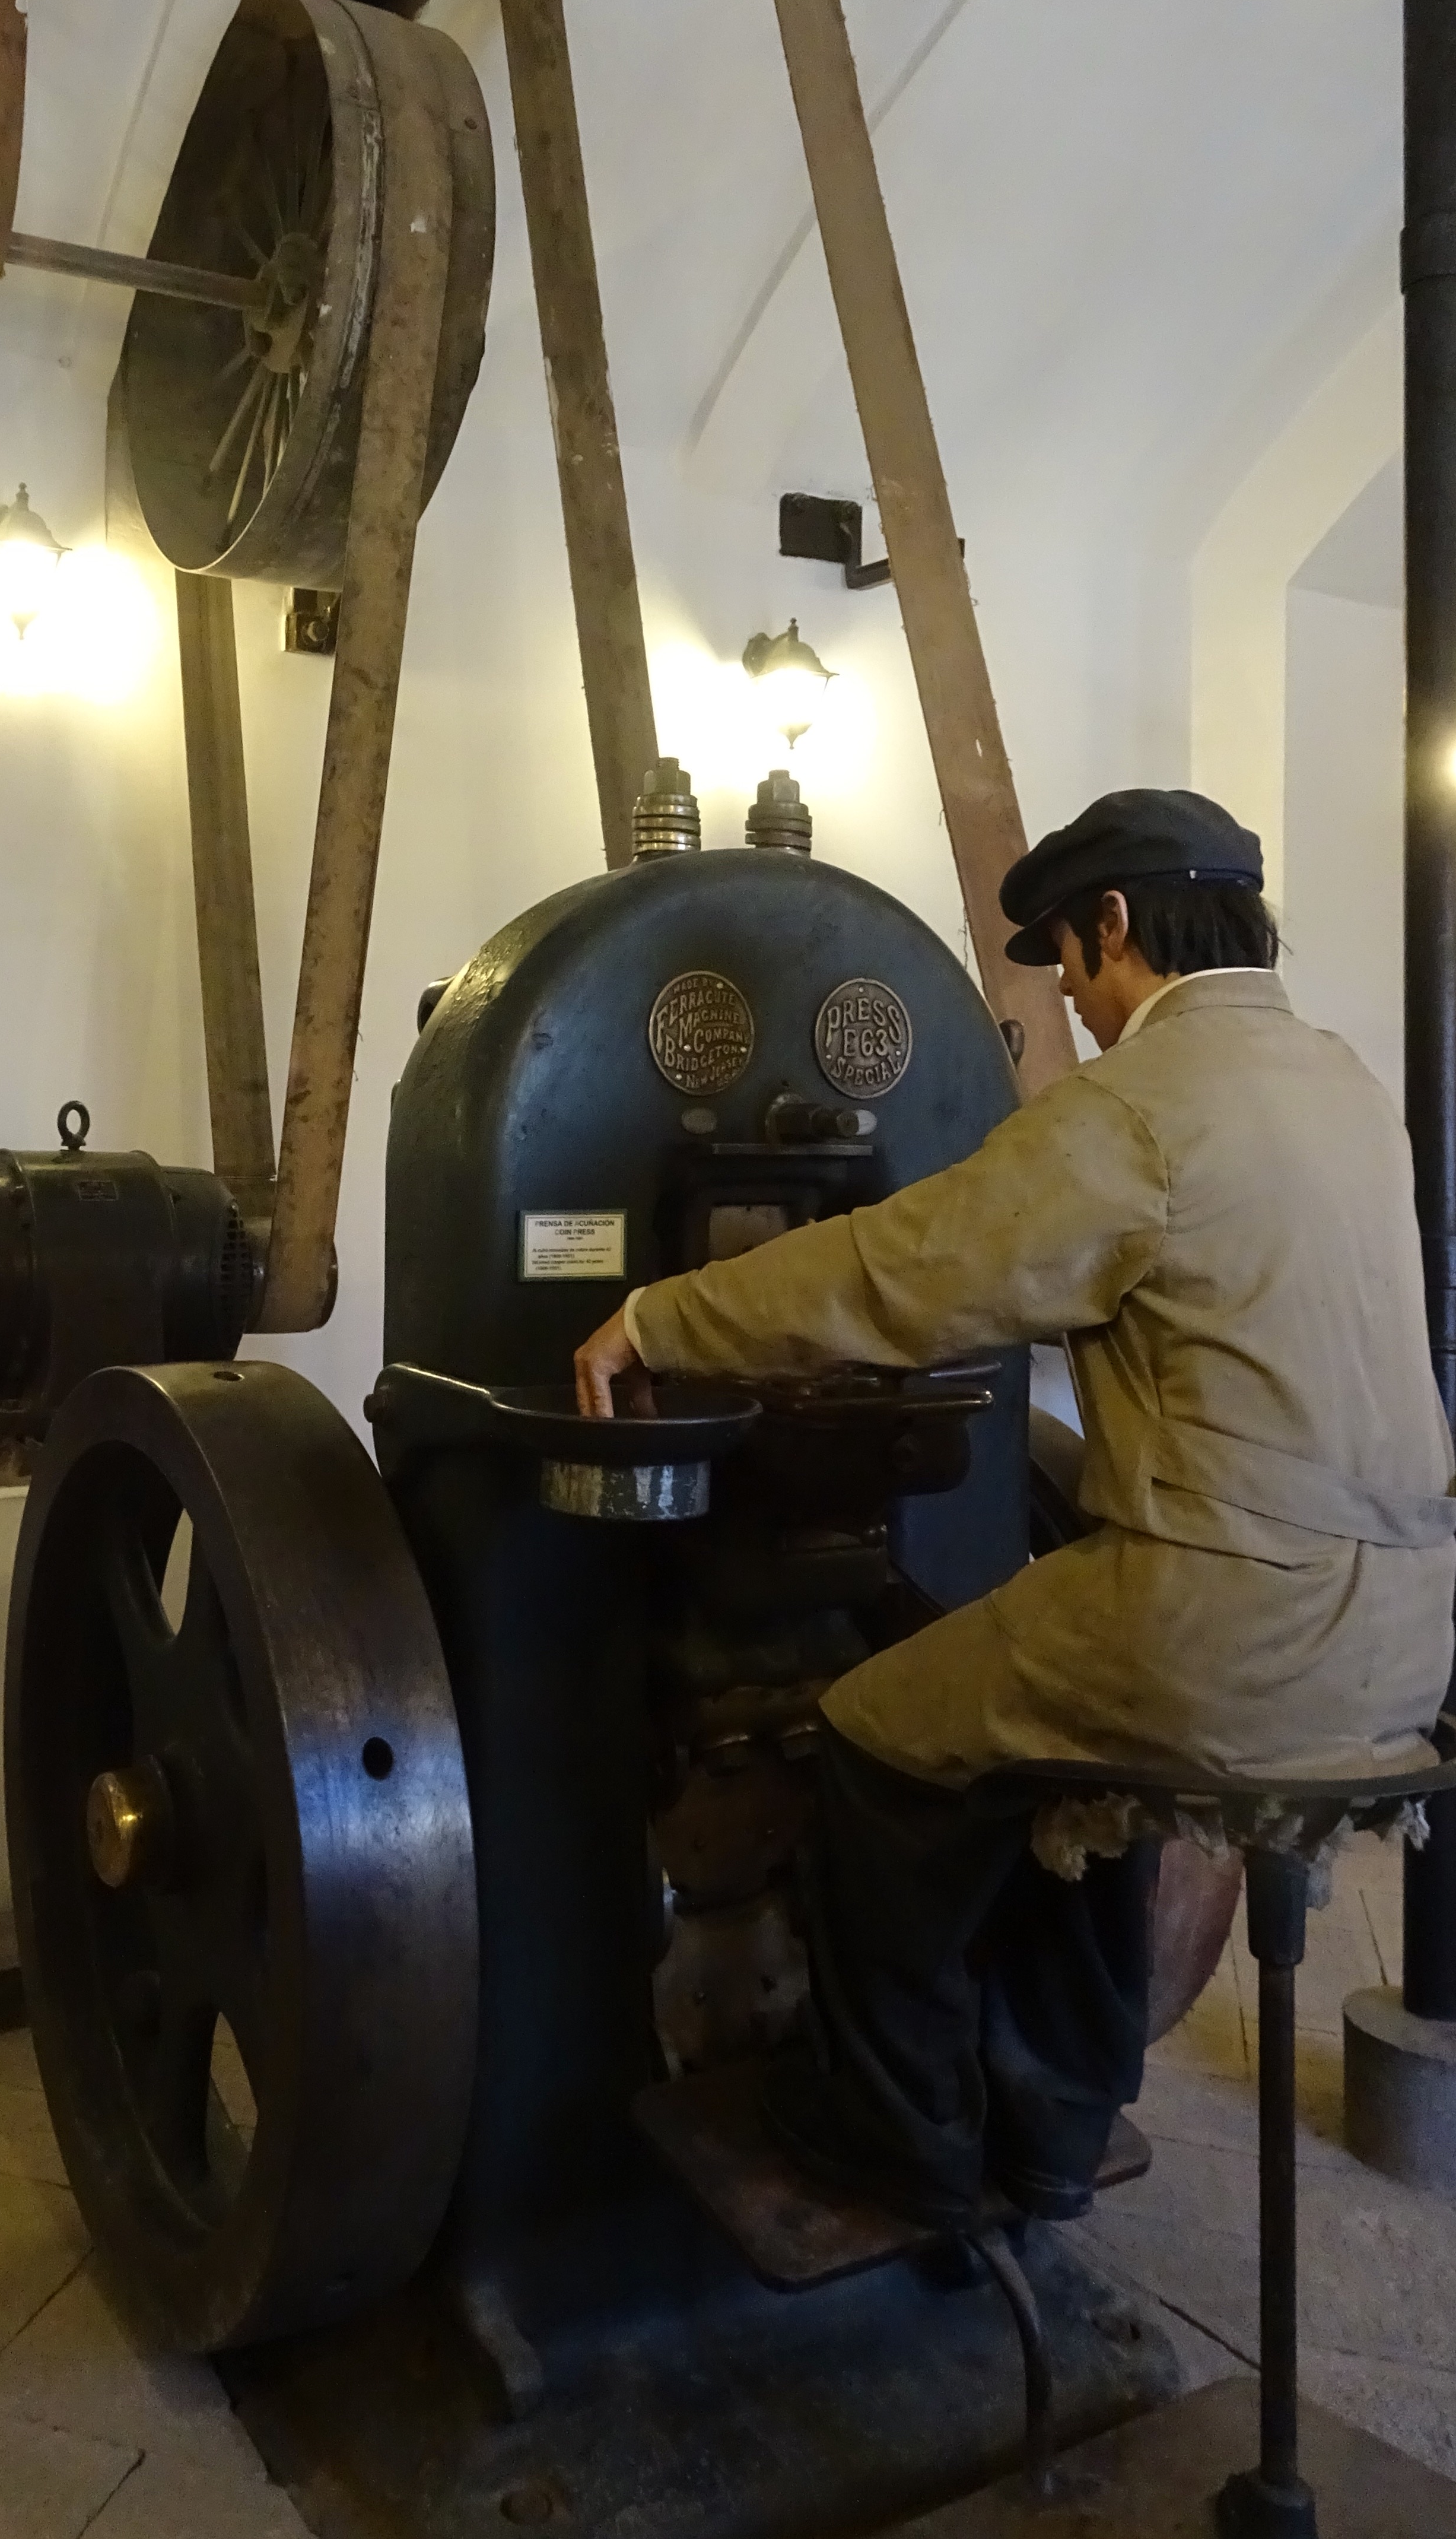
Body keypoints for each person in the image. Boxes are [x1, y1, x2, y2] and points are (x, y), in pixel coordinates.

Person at [574, 788, 1456, 2227]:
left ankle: (893, 2128)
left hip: (1235, 1633)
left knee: (872, 1733)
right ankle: (1055, 2115)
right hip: (1407, 1633)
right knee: (1076, 1764)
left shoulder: (1143, 1107)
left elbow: (903, 1273)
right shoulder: (1342, 1084)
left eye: (1070, 966)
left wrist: (661, 1319)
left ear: (1115, 924)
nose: (1079, 1012)